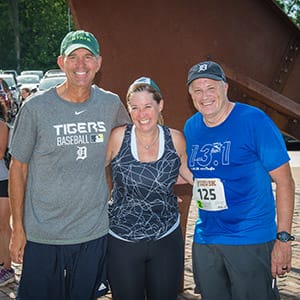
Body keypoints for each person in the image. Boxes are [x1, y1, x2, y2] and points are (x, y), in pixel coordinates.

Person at [8, 30, 130, 300]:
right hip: (43, 235)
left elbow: (131, 147)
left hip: (92, 232)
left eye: (88, 57)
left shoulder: (111, 104)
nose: (81, 64)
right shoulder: (36, 107)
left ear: (99, 63)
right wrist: (18, 229)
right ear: (61, 62)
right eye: (73, 57)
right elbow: (18, 167)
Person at [184, 60, 295, 300]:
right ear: (191, 95)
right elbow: (199, 177)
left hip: (250, 237)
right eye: (197, 90)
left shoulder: (254, 121)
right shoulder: (192, 127)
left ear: (225, 88)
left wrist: (284, 239)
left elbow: (285, 182)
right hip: (206, 238)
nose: (205, 96)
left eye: (210, 87)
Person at [105, 77, 193, 300]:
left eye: (148, 106)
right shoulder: (117, 138)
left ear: (160, 105)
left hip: (166, 237)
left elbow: (190, 175)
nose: (142, 114)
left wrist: (230, 182)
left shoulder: (175, 139)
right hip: (122, 239)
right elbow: (92, 173)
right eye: (135, 107)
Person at [0, 101, 14, 286]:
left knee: (3, 225)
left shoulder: (2, 126)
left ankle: (8, 268)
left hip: (2, 180)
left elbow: (0, 152)